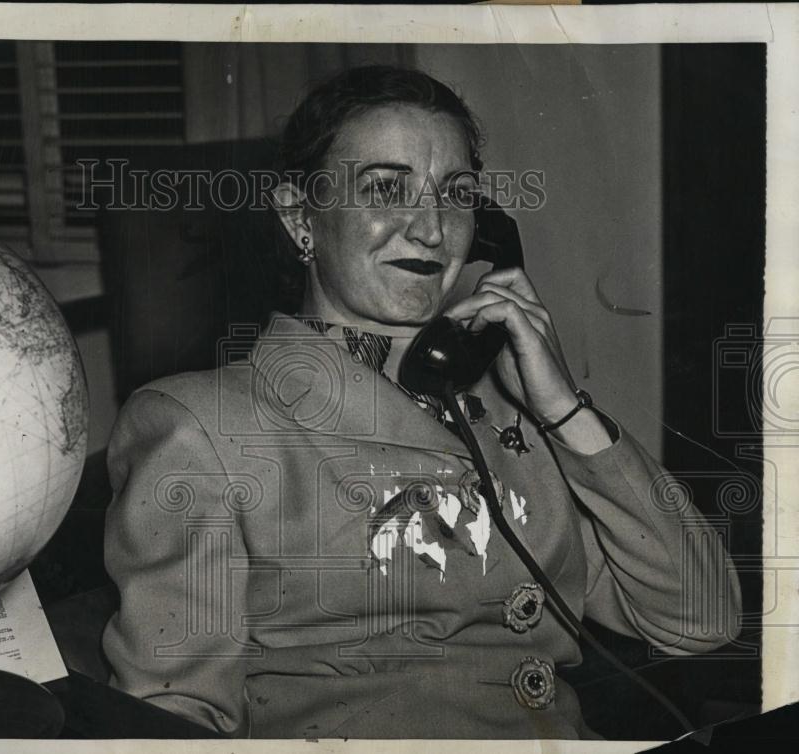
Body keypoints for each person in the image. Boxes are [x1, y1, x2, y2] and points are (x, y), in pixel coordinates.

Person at [101, 65, 741, 739]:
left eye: (456, 195)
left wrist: (563, 409)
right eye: (385, 188)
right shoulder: (201, 425)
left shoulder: (515, 409)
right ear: (300, 217)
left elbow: (701, 620)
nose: (432, 230)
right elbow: (174, 723)